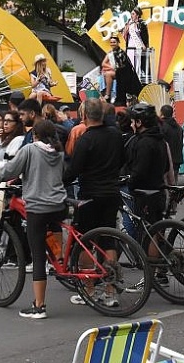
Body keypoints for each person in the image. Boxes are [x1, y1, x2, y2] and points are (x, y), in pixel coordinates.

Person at [0, 120, 68, 319]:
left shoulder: (30, 149)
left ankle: (39, 306)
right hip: (59, 204)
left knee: (38, 255)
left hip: (38, 207)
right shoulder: (58, 151)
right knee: (53, 230)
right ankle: (59, 259)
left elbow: (9, 170)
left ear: (35, 135)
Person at [61, 98, 125, 305]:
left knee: (85, 241)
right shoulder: (115, 134)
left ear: (85, 115)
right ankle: (110, 290)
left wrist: (59, 181)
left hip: (90, 195)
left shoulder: (86, 140)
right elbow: (122, 159)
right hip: (112, 192)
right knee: (108, 239)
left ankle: (89, 290)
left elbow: (74, 170)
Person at [122, 7, 150, 82]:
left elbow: (145, 36)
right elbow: (124, 35)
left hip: (138, 47)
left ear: (137, 15)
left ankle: (137, 80)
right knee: (130, 63)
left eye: (133, 14)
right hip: (130, 46)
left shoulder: (141, 23)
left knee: (137, 64)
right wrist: (127, 27)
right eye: (131, 14)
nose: (131, 15)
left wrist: (144, 45)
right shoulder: (129, 23)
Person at [158, 105, 184, 176]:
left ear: (161, 113)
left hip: (164, 160)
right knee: (174, 180)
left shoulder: (160, 126)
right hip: (176, 159)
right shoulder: (179, 128)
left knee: (164, 180)